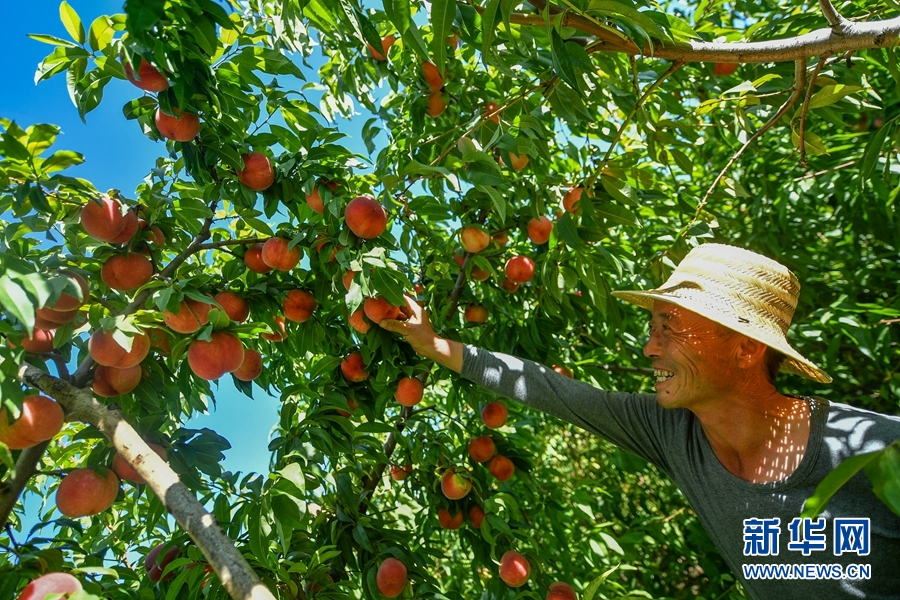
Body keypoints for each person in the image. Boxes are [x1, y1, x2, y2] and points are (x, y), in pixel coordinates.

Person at [379, 243, 900, 599]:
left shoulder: (880, 450)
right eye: (653, 327)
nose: (650, 348)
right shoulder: (674, 433)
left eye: (671, 328)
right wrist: (432, 344)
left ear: (744, 348)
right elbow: (547, 387)